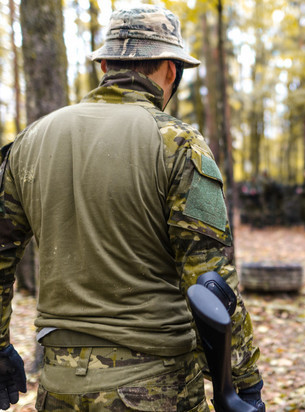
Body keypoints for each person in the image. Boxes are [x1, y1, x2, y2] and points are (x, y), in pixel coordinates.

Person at [0, 5, 264, 412]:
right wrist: (245, 383)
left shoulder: (29, 142)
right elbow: (210, 279)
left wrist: (0, 350)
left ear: (104, 64)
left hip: (59, 387)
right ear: (171, 70)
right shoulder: (177, 144)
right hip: (156, 388)